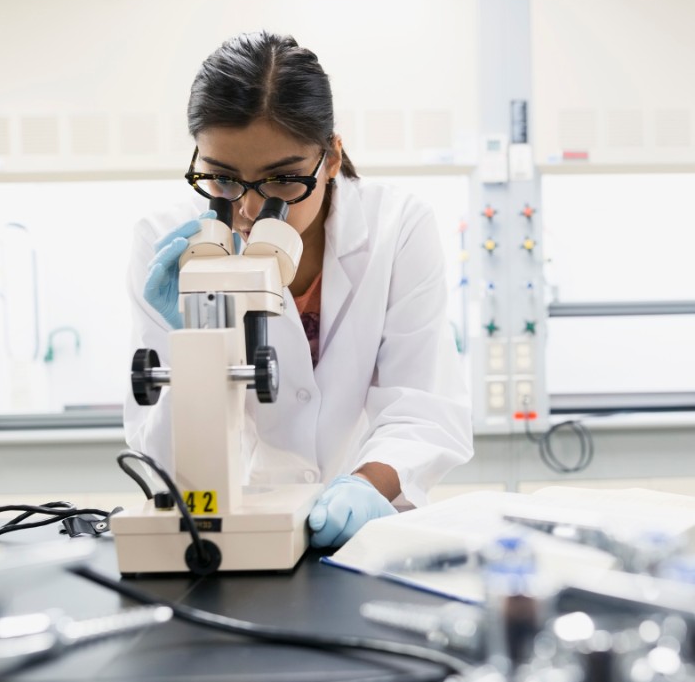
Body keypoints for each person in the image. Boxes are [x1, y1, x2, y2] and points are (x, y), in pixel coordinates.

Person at [124, 31, 472, 548]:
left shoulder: (396, 227)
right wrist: (193, 348)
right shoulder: (169, 246)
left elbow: (422, 404)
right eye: (221, 179)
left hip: (365, 530)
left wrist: (362, 487)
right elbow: (162, 458)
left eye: (282, 180)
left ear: (331, 158)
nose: (246, 209)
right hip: (227, 528)